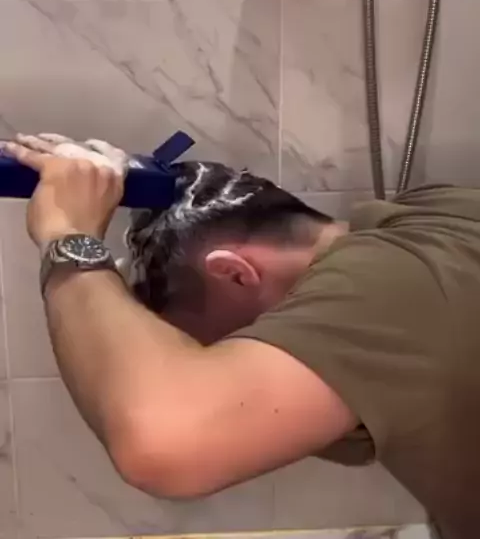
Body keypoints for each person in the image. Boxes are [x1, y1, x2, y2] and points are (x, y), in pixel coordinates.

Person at [3, 133, 480, 539]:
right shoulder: (434, 218)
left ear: (235, 273)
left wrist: (68, 235)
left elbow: (165, 448)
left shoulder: (382, 294)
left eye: (196, 340)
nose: (209, 354)